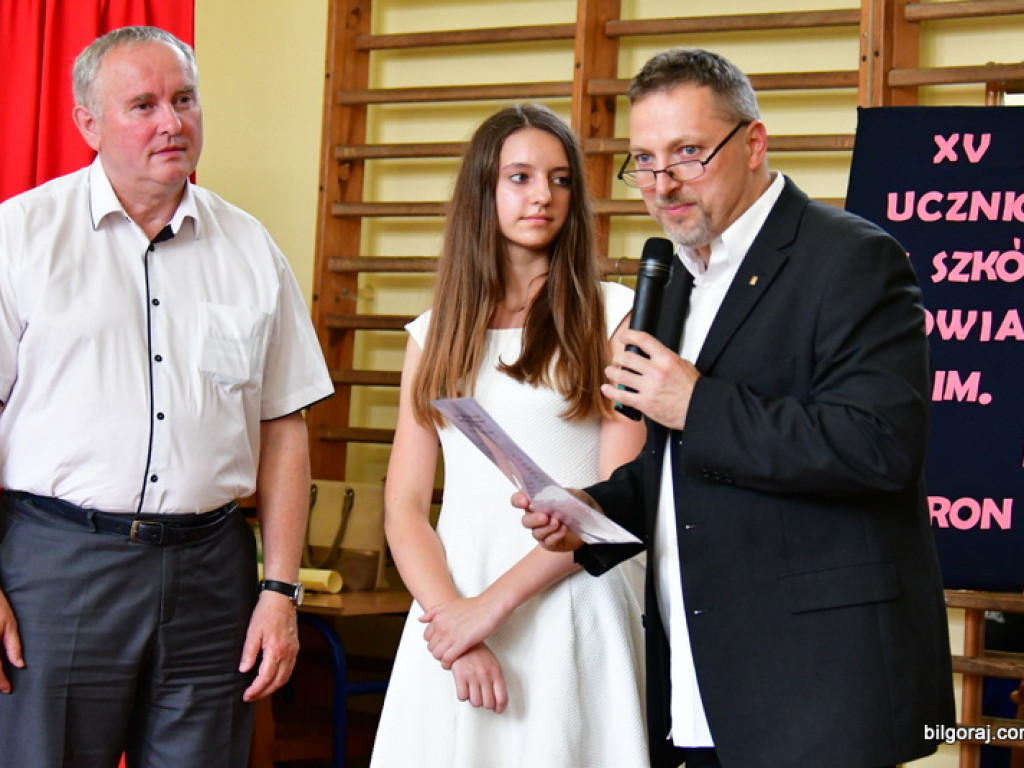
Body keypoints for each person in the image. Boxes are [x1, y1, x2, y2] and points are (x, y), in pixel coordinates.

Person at [520, 47, 956, 768]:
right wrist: (586, 513)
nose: (663, 183)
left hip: (818, 689)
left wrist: (696, 402)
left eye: (689, 153)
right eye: (646, 161)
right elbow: (677, 471)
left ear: (754, 143)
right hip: (698, 682)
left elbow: (879, 445)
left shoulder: (852, 259)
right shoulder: (678, 280)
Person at [0, 26, 333, 767]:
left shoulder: (251, 249)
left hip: (212, 572)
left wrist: (280, 590)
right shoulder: (19, 238)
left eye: (184, 99)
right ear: (87, 123)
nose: (172, 123)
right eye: (143, 105)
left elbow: (284, 426)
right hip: (57, 567)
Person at [370, 104, 649, 768]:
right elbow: (404, 505)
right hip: (452, 599)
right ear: (483, 192)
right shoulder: (432, 333)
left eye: (559, 179)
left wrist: (489, 611)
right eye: (520, 177)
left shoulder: (616, 314)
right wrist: (455, 625)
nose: (542, 196)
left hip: (572, 598)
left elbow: (620, 499)